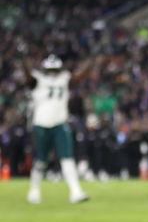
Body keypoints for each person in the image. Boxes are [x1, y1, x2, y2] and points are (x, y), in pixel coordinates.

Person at [24, 54, 95, 204]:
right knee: (40, 161)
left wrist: (91, 62)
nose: (53, 72)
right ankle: (34, 189)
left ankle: (75, 191)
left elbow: (79, 77)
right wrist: (24, 59)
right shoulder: (37, 80)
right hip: (41, 124)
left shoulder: (65, 79)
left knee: (67, 159)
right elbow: (28, 76)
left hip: (60, 123)